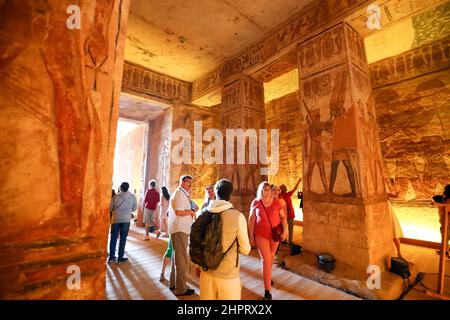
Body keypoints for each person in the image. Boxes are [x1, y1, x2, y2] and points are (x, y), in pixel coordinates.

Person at [199, 179, 251, 300]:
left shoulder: (202, 213)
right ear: (230, 195)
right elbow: (246, 249)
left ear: (216, 193)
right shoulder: (238, 217)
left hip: (206, 272)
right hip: (228, 275)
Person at [248, 181, 288, 300]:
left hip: (275, 235)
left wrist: (285, 230)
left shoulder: (276, 202)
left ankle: (267, 277)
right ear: (261, 191)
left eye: (269, 189)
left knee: (270, 259)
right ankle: (267, 291)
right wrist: (251, 236)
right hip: (261, 235)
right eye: (265, 189)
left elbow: (283, 217)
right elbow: (251, 220)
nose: (268, 191)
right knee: (266, 259)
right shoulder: (256, 202)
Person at [168, 175, 197, 296]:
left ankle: (173, 283)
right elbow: (179, 212)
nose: (190, 184)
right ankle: (181, 289)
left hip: (180, 229)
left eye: (191, 182)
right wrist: (191, 212)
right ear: (181, 182)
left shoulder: (182, 193)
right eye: (187, 182)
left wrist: (191, 208)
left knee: (177, 257)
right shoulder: (180, 193)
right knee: (181, 259)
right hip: (180, 229)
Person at [108, 182, 137, 263]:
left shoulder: (115, 197)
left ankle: (111, 257)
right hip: (126, 220)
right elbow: (134, 208)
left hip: (115, 219)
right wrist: (127, 211)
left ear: (121, 188)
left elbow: (110, 208)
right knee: (123, 239)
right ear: (128, 188)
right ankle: (120, 257)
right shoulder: (132, 197)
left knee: (113, 238)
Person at [279, 177, 302, 246]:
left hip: (288, 215)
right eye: (284, 188)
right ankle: (286, 240)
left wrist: (298, 182)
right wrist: (298, 182)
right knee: (287, 229)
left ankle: (287, 240)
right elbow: (294, 189)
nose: (285, 189)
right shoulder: (281, 196)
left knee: (287, 228)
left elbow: (294, 189)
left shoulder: (284, 195)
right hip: (286, 215)